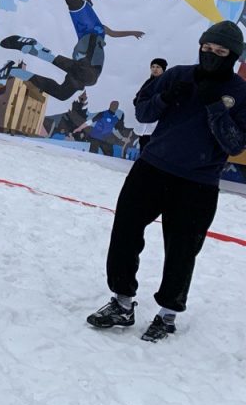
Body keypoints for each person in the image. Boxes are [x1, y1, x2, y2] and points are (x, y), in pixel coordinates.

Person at [86, 21, 246, 342]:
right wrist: (166, 98)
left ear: (232, 56)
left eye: (220, 52)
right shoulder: (178, 75)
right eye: (207, 49)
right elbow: (143, 114)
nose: (211, 55)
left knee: (183, 250)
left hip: (197, 183)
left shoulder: (240, 93)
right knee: (125, 232)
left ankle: (167, 315)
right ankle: (122, 302)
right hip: (151, 169)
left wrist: (215, 107)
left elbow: (235, 144)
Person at [0, 0, 144, 101]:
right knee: (89, 77)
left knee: (63, 94)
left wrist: (132, 33)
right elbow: (78, 8)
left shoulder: (99, 26)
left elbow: (114, 33)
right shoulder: (92, 24)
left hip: (84, 67)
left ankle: (16, 71)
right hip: (88, 61)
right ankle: (36, 49)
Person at [132, 58, 167, 150]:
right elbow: (139, 96)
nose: (155, 69)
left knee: (151, 143)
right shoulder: (148, 82)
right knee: (143, 141)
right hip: (144, 118)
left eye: (158, 67)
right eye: (153, 67)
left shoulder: (166, 83)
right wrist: (138, 103)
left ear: (163, 69)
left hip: (155, 120)